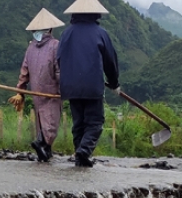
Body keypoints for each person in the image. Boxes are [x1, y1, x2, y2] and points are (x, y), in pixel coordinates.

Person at [56, 0, 119, 168]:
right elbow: (110, 61)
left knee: (79, 123)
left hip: (70, 87)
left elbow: (59, 59)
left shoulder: (66, 33)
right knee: (95, 122)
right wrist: (114, 83)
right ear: (95, 14)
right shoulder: (100, 33)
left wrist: (69, 78)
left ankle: (80, 156)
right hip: (92, 86)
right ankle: (83, 151)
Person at [14, 8, 64, 163]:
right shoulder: (56, 45)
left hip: (36, 92)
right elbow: (59, 70)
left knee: (42, 121)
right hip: (52, 92)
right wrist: (63, 88)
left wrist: (20, 90)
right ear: (50, 29)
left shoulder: (30, 47)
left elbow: (24, 72)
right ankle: (40, 142)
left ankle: (46, 152)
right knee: (51, 122)